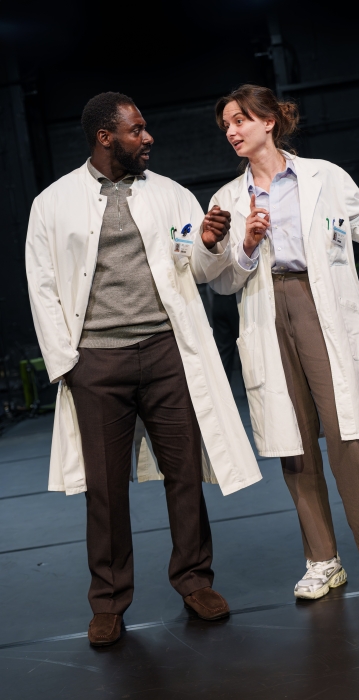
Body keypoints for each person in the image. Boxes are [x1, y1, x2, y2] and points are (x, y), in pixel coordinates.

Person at [25, 91, 262, 647]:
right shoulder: (52, 203)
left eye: (145, 128)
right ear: (105, 137)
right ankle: (108, 602)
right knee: (105, 489)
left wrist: (209, 242)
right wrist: (69, 366)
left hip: (166, 353)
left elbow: (198, 268)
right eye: (136, 130)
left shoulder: (171, 194)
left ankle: (195, 581)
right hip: (96, 362)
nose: (147, 137)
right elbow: (42, 286)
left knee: (185, 474)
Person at [206, 84, 359, 602]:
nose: (232, 131)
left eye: (240, 120)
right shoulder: (227, 199)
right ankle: (321, 559)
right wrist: (246, 245)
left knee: (345, 434)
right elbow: (221, 280)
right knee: (293, 440)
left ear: (269, 121)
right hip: (267, 310)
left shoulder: (324, 176)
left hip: (320, 305)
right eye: (226, 124)